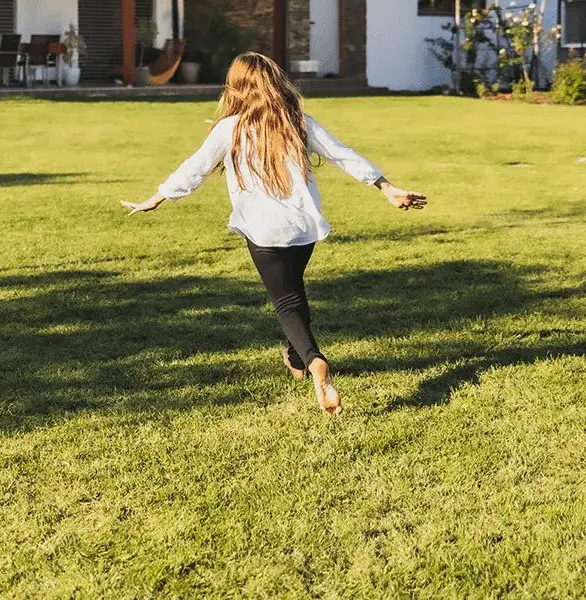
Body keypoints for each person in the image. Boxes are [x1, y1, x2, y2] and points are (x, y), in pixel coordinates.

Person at [121, 52, 425, 415]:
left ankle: (314, 362)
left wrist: (158, 197)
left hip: (264, 231)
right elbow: (343, 155)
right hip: (304, 229)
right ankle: (297, 358)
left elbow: (195, 168)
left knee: (286, 303)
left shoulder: (230, 127)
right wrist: (386, 187)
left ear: (236, 86)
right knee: (294, 293)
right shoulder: (298, 122)